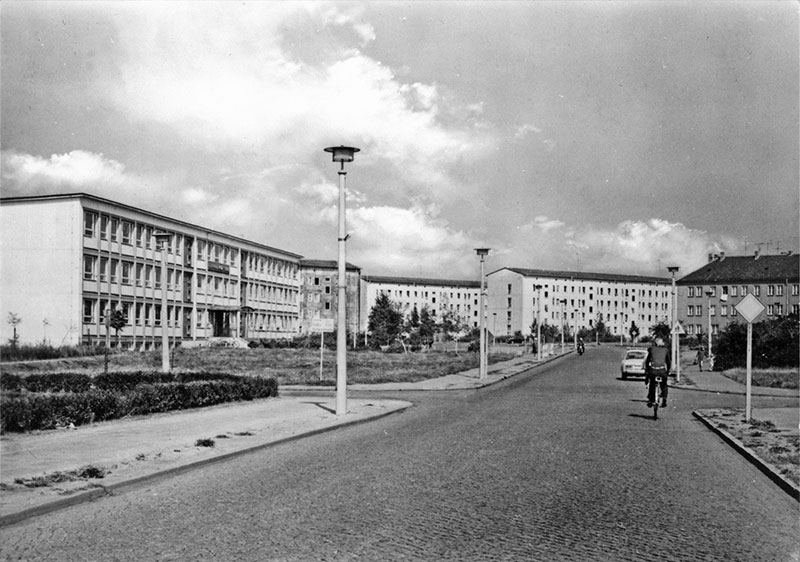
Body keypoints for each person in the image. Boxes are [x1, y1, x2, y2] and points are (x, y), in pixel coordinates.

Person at [644, 337, 671, 407]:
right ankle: (664, 400)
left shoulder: (651, 349)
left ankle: (650, 400)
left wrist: (647, 369)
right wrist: (668, 371)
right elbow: (668, 362)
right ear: (662, 343)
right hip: (662, 371)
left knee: (652, 384)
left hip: (653, 371)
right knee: (664, 385)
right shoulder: (666, 350)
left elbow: (647, 361)